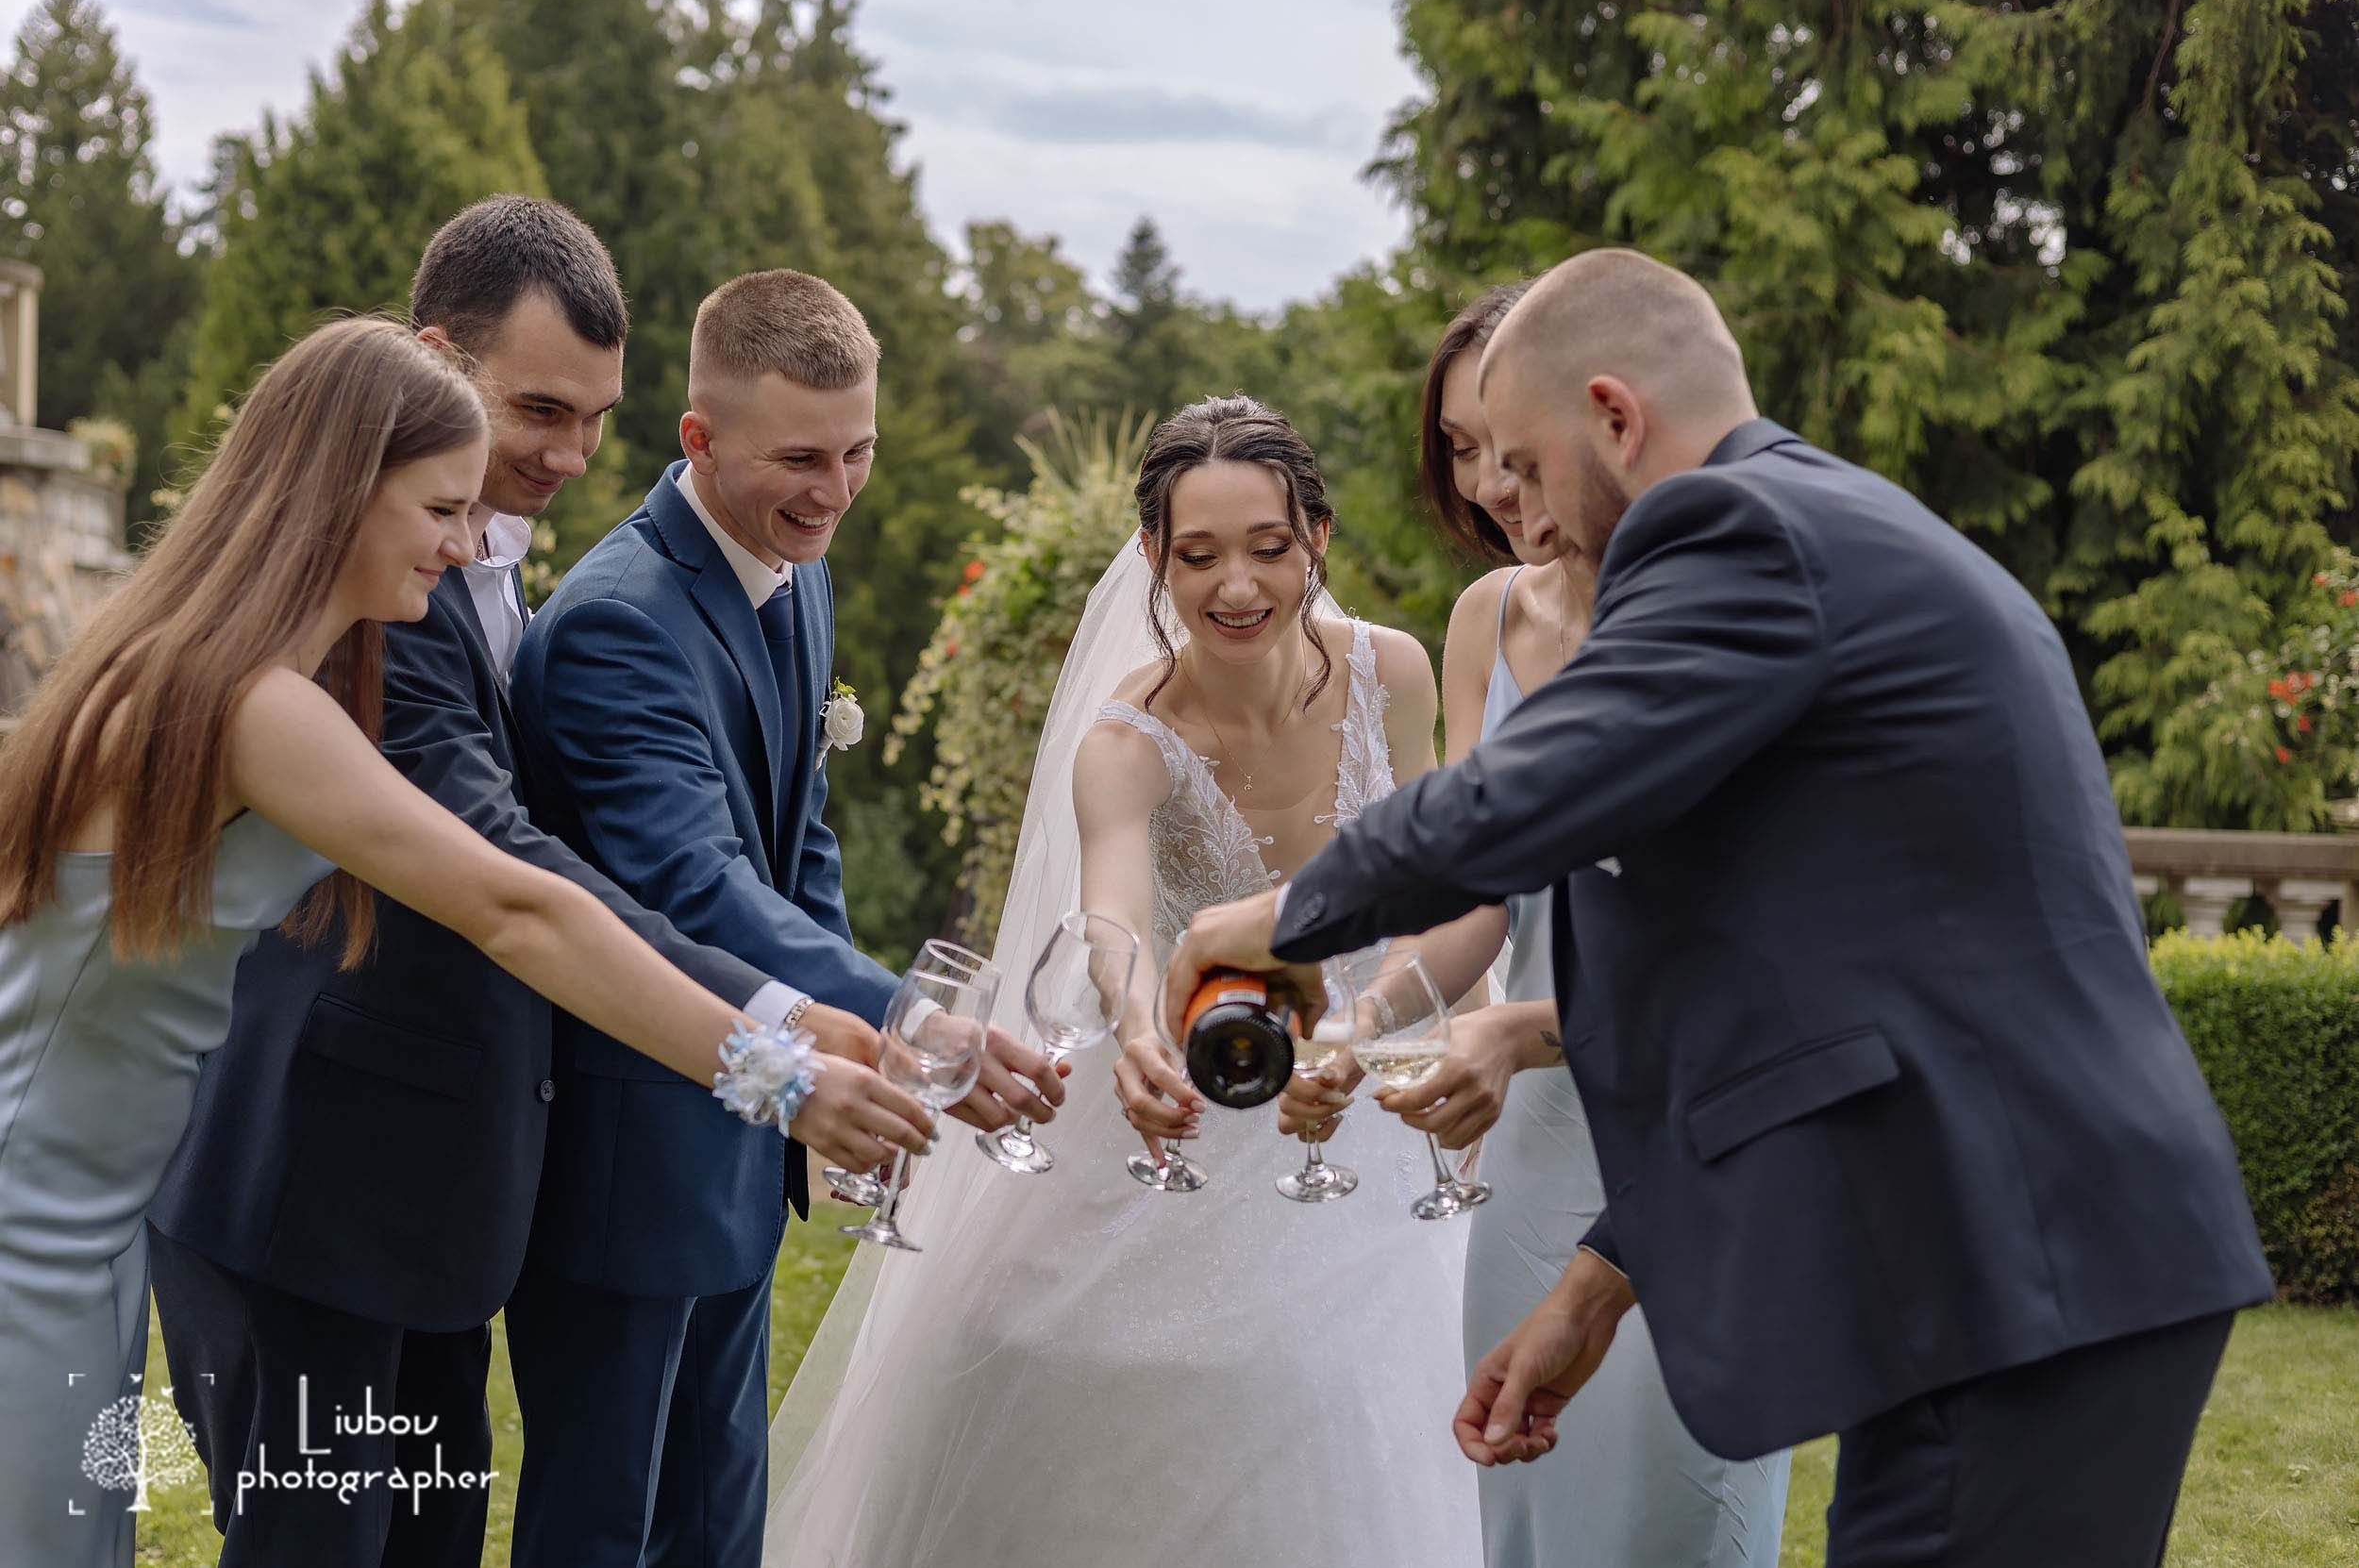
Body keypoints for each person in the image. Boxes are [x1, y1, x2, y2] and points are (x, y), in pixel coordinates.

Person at [1165, 248, 2274, 1567]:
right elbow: (1765, 972)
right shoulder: (1808, 533)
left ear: (1617, 417)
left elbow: (1533, 788)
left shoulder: (1733, 529)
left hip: (2023, 1247)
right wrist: (1593, 1285)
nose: (1507, 501)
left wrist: (1289, 918)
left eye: (1522, 462)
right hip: (1999, 1251)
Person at [0, 317, 936, 1568]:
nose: (466, 538)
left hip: (82, 1216)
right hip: (36, 1228)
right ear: (338, 492)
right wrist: (776, 1071)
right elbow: (514, 904)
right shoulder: (255, 704)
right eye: (441, 505)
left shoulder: (226, 661)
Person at [760, 395, 1482, 1568]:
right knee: (1031, 1347)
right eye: (1197, 555)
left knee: (1338, 1382)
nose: (1236, 585)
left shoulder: (1390, 673)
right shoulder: (1124, 737)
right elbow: (1115, 915)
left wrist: (1358, 1031)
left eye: (1267, 547)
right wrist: (1140, 1028)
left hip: (1352, 1098)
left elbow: (1438, 900)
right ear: (1153, 555)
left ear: (1318, 539)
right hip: (1182, 1070)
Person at [503, 269, 1063, 1568]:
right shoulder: (613, 626)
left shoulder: (790, 565)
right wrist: (911, 1021)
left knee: (719, 1513)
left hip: (757, 1120)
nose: (834, 488)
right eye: (800, 457)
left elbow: (795, 838)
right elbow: (698, 883)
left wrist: (851, 1052)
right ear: (698, 438)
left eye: (857, 450)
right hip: (628, 1153)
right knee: (608, 1522)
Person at [1365, 280, 1790, 1565]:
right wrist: (1369, 1013)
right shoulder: (1485, 618)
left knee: (1678, 1517)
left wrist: (1518, 1028)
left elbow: (1756, 949)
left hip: (1702, 1125)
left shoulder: (1729, 610)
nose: (1490, 477)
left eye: (1508, 441)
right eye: (1456, 446)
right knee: (1527, 1512)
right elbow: (1477, 890)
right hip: (1534, 1155)